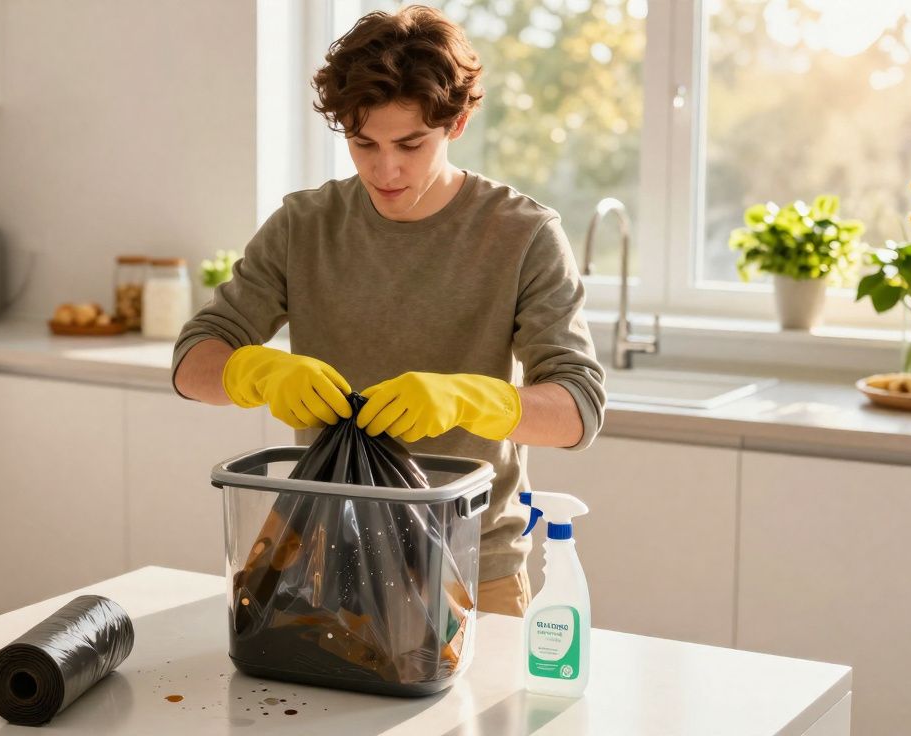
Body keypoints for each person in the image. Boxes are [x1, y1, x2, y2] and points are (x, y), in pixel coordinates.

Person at [171, 5, 606, 615]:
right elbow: (192, 361)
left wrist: (471, 400)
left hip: (472, 570)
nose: (385, 169)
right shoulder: (304, 226)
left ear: (455, 124)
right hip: (319, 558)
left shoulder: (523, 234)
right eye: (362, 142)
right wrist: (254, 372)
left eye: (410, 143)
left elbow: (578, 410)